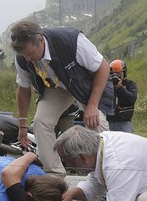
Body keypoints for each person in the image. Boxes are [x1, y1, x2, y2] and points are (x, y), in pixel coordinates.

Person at [10, 20, 114, 178]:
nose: (28, 59)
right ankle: (55, 175)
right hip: (57, 87)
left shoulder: (71, 40)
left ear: (40, 40)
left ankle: (109, 173)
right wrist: (22, 125)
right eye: (24, 55)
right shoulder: (23, 59)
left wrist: (92, 105)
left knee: (96, 122)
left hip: (84, 83)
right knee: (40, 122)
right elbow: (23, 89)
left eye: (30, 54)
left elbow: (103, 67)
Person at [107, 59, 138, 133]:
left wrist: (120, 88)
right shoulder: (107, 85)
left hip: (125, 122)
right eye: (113, 74)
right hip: (110, 121)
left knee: (126, 143)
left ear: (124, 73)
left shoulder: (130, 84)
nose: (116, 76)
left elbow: (132, 99)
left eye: (119, 74)